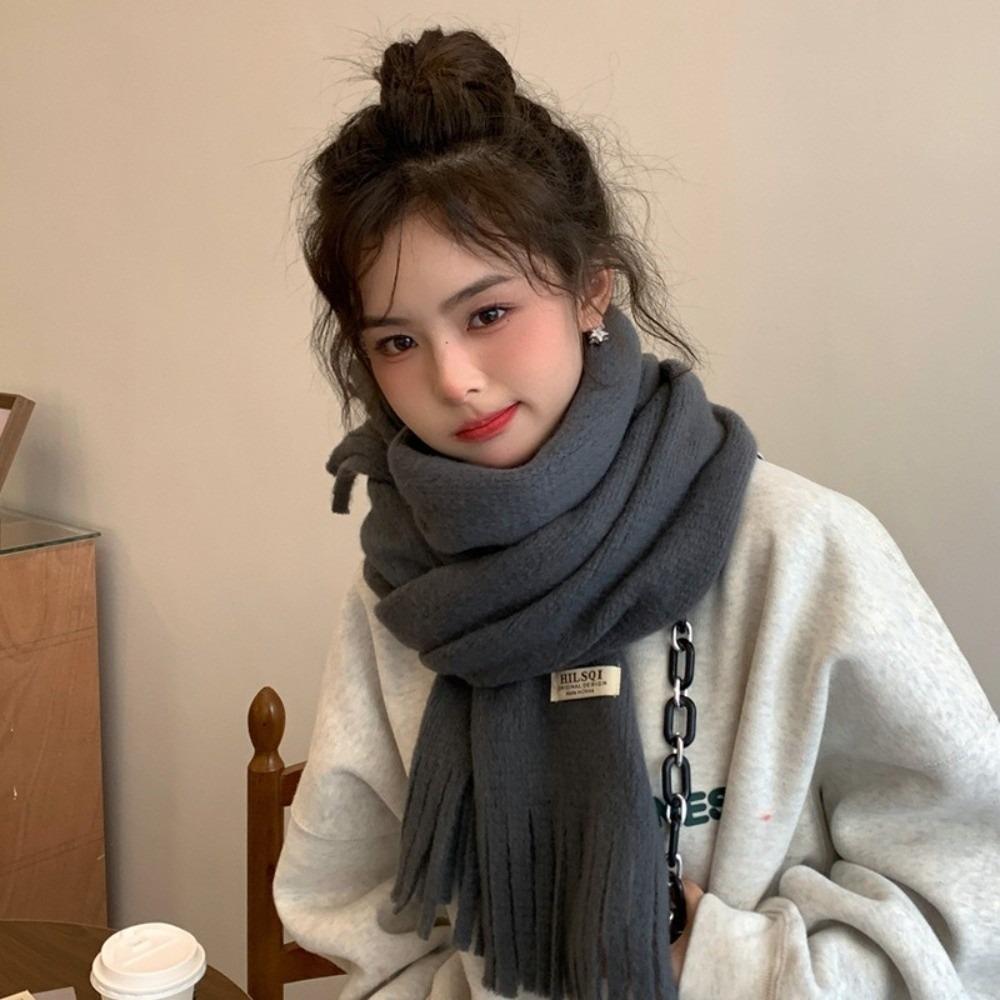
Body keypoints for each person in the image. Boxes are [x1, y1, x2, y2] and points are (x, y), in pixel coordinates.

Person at [272, 25, 999, 1000]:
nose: (453, 378)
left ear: (591, 290)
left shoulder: (798, 550)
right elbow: (351, 920)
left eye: (488, 314)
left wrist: (714, 964)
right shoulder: (401, 595)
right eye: (398, 342)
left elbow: (971, 902)